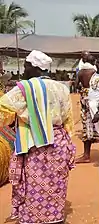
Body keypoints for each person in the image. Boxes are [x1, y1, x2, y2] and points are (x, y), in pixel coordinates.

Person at [1, 50, 75, 223]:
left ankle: (34, 218)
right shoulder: (62, 88)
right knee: (55, 181)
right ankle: (54, 217)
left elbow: (4, 108)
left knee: (35, 184)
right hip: (58, 141)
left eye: (26, 66)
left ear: (34, 67)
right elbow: (68, 118)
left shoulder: (25, 88)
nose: (24, 70)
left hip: (35, 142)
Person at [76, 57, 99, 163]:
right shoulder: (94, 75)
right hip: (89, 108)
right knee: (87, 132)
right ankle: (86, 156)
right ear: (96, 64)